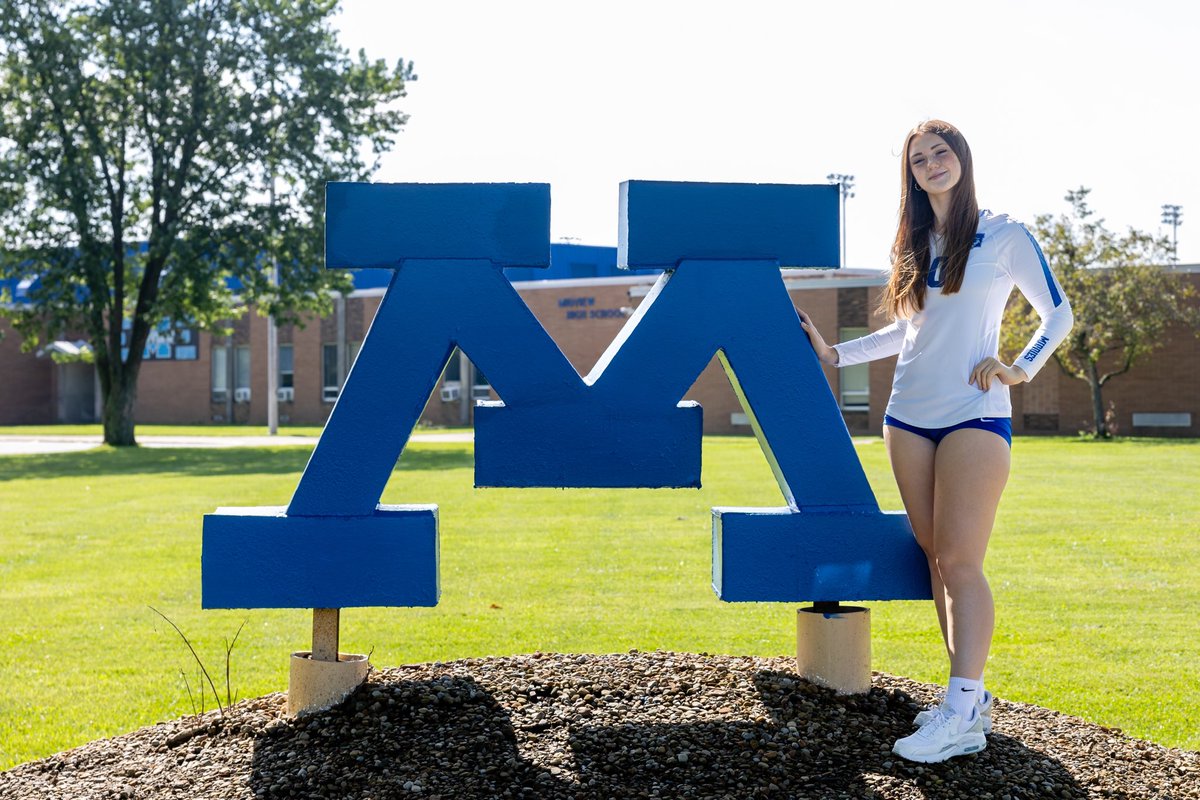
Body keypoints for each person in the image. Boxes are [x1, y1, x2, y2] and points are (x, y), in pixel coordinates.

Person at [798, 119, 1074, 764]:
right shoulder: (915, 243)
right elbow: (907, 332)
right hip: (907, 420)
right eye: (918, 159)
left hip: (975, 416)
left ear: (962, 158)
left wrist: (1021, 365)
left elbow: (1056, 311)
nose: (930, 165)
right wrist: (836, 354)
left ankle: (961, 701)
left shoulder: (1005, 234)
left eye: (940, 152)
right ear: (911, 174)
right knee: (933, 557)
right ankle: (966, 705)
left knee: (961, 557)